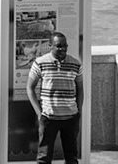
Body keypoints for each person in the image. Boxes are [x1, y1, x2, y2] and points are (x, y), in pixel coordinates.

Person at [27, 32, 83, 164]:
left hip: (71, 118)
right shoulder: (40, 63)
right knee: (44, 158)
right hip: (48, 118)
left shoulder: (76, 64)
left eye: (65, 46)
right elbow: (30, 88)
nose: (63, 49)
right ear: (50, 46)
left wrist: (78, 111)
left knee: (71, 157)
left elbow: (80, 89)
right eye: (59, 46)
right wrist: (39, 113)